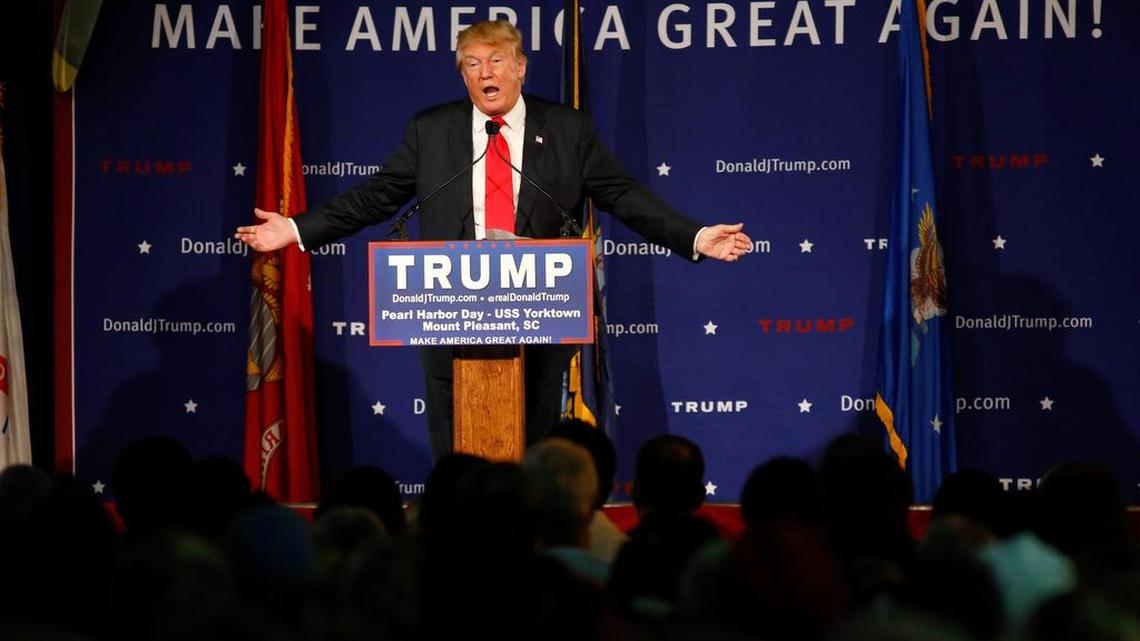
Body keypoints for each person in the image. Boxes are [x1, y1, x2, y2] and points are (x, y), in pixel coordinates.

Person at [234, 20, 753, 459]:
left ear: (521, 67)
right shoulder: (431, 131)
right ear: (462, 74)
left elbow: (623, 195)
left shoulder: (568, 130)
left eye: (497, 61)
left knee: (536, 439)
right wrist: (296, 228)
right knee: (455, 442)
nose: (487, 73)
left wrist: (696, 236)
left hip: (539, 308)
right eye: (473, 64)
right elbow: (375, 198)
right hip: (449, 310)